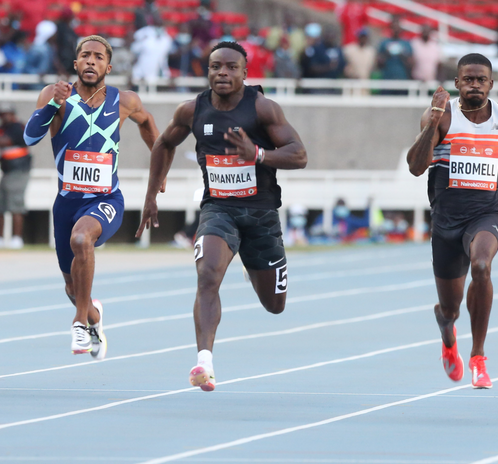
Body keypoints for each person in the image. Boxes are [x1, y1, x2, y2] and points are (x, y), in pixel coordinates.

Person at [136, 41, 307, 392]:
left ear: (245, 72)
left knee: (275, 306)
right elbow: (163, 144)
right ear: (208, 70)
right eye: (216, 66)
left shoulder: (263, 109)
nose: (223, 73)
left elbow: (299, 155)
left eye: (231, 67)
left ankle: (248, 262)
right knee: (207, 275)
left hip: (261, 215)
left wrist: (256, 153)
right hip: (218, 209)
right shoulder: (192, 110)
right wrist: (152, 194)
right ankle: (204, 362)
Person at [23, 35, 161, 358]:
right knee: (73, 287)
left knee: (82, 239)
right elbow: (31, 137)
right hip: (67, 203)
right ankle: (93, 317)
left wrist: (161, 170)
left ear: (108, 67)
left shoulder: (123, 100)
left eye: (98, 57)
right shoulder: (55, 95)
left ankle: (79, 324)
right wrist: (54, 103)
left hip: (106, 199)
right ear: (75, 63)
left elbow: (149, 124)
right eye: (85, 55)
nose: (91, 61)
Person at [406, 53, 498, 389]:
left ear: (491, 84)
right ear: (457, 83)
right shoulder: (442, 118)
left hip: (488, 211)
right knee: (451, 308)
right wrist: (433, 122)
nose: (475, 85)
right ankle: (448, 330)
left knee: (482, 267)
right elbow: (416, 166)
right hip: (447, 219)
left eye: (481, 79)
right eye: (468, 79)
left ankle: (478, 357)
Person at [0, 103, 30, 249]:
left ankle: (17, 239)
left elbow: (7, 141)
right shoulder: (4, 128)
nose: (3, 116)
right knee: (1, 206)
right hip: (6, 172)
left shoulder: (17, 127)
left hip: (18, 171)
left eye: (6, 113)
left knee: (16, 205)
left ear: (12, 114)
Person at [376, 17, 413, 83]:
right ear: (391, 28)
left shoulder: (406, 44)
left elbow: (411, 64)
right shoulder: (384, 43)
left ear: (400, 28)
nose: (395, 30)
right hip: (387, 78)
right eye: (394, 27)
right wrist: (386, 54)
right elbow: (378, 64)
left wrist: (403, 55)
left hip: (402, 78)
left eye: (397, 27)